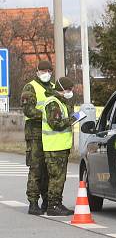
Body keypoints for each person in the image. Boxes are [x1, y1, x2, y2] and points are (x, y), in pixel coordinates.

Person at [20, 60, 55, 215]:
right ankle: (33, 202)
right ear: (37, 71)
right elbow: (28, 110)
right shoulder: (30, 87)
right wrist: (48, 116)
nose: (46, 73)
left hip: (51, 135)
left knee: (49, 169)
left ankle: (47, 201)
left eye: (49, 70)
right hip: (35, 134)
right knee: (36, 168)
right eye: (43, 70)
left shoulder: (53, 88)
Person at [41, 77, 77, 217]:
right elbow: (56, 124)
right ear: (62, 89)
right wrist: (74, 119)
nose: (70, 92)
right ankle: (53, 205)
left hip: (59, 147)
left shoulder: (60, 102)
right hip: (54, 147)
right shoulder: (53, 103)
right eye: (69, 89)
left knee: (59, 178)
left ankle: (56, 203)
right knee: (56, 178)